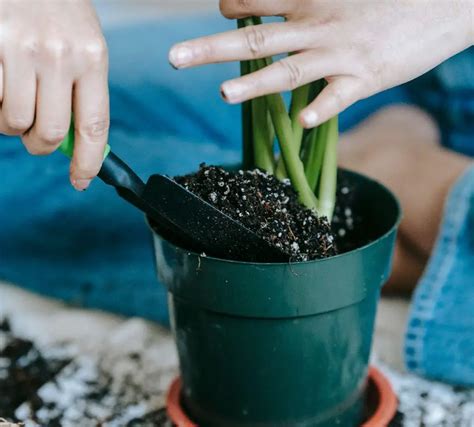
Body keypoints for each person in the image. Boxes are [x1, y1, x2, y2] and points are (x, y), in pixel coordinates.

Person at [0, 0, 473, 385]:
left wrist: (447, 15)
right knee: (27, 88)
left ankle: (414, 187)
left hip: (427, 30)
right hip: (374, 37)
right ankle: (409, 225)